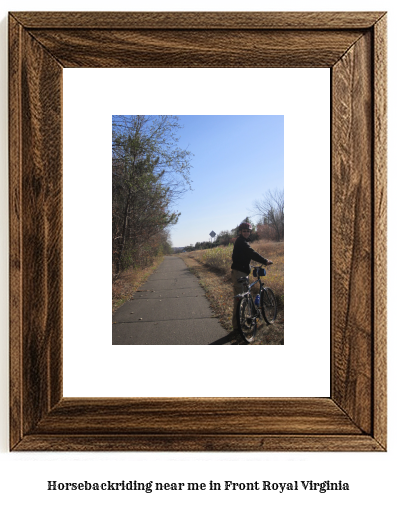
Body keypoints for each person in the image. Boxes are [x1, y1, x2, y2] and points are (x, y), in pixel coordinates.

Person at [231, 221, 272, 332]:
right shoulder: (241, 241)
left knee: (245, 298)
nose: (246, 233)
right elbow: (251, 253)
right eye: (244, 231)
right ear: (240, 232)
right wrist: (265, 261)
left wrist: (248, 265)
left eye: (248, 231)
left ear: (250, 232)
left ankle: (242, 322)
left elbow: (241, 256)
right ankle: (236, 327)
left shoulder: (243, 241)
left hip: (242, 272)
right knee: (239, 300)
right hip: (239, 273)